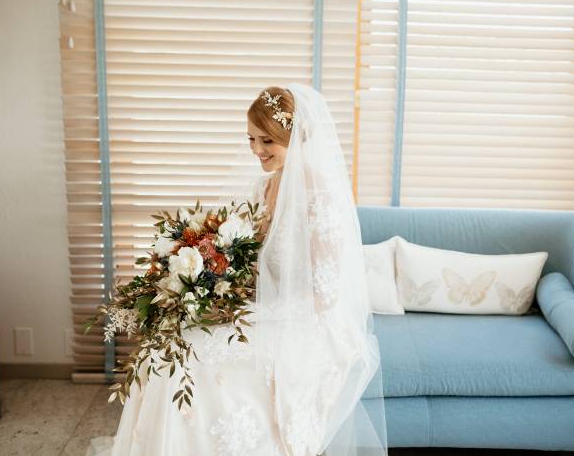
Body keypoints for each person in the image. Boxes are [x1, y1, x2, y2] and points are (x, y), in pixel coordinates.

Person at [86, 83, 387, 456]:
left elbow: (324, 296)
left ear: (294, 138)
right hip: (263, 309)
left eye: (267, 142)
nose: (257, 151)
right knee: (162, 351)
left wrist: (255, 312)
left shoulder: (320, 195)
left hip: (308, 323)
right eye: (251, 140)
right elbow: (248, 262)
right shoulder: (263, 189)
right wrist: (209, 287)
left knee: (200, 366)